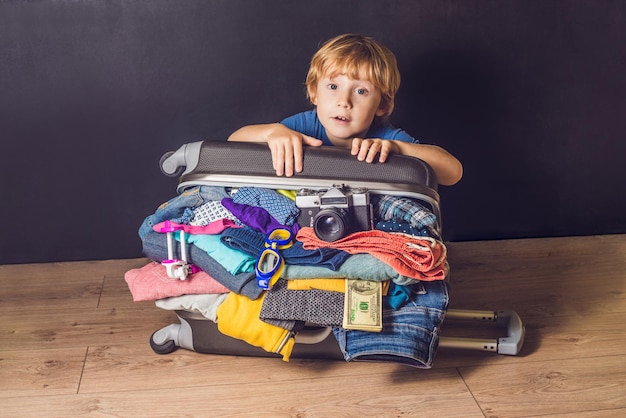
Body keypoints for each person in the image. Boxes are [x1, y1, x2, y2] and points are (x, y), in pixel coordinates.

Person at [228, 33, 463, 186]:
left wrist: (398, 148)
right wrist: (272, 133)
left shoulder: (385, 140)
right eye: (333, 86)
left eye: (360, 91)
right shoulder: (303, 127)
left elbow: (453, 173)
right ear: (314, 93)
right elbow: (232, 144)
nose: (344, 101)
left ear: (382, 105)